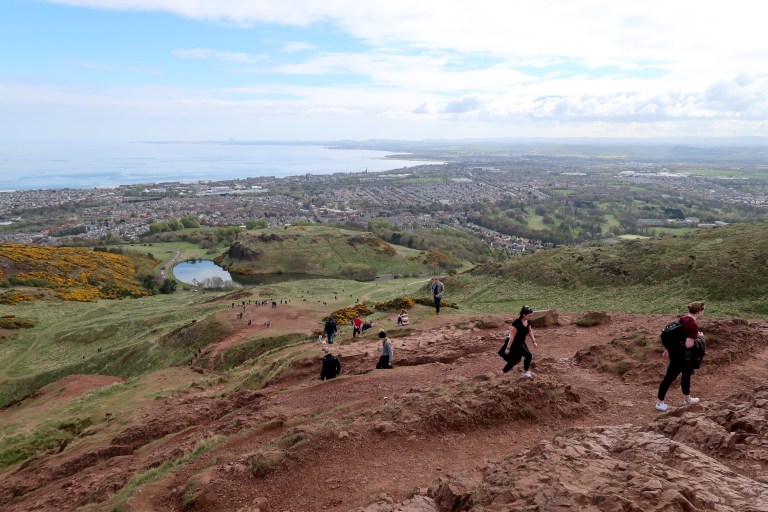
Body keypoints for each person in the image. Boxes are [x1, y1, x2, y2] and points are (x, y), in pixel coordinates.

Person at [656, 301, 705, 411]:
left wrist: (669, 349)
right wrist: (700, 338)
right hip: (681, 356)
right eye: (703, 310)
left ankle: (687, 399)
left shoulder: (684, 318)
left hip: (679, 353)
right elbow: (688, 344)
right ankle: (659, 403)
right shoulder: (693, 325)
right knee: (669, 378)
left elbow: (678, 336)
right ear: (699, 311)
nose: (703, 312)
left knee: (687, 374)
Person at [500, 305, 538, 377]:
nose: (530, 317)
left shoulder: (528, 321)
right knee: (528, 355)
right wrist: (508, 348)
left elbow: (530, 331)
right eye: (529, 316)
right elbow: (512, 336)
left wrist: (534, 341)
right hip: (515, 343)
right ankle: (525, 372)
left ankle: (503, 372)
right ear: (524, 315)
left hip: (521, 342)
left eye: (531, 316)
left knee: (515, 360)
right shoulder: (516, 323)